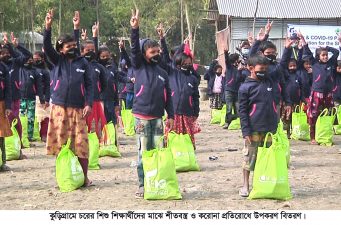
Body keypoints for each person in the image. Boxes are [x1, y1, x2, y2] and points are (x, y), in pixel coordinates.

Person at [44, 9, 94, 187]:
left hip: (78, 109)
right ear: (61, 50)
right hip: (59, 108)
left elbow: (89, 85)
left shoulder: (83, 63)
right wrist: (47, 27)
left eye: (74, 46)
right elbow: (48, 47)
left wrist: (88, 103)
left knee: (80, 144)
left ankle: (85, 177)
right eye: (68, 47)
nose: (72, 49)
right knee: (60, 144)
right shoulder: (57, 61)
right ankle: (63, 176)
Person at [130, 9, 174, 198]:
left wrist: (170, 115)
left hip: (157, 118)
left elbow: (168, 97)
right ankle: (142, 184)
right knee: (143, 152)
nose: (156, 54)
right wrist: (135, 29)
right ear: (144, 54)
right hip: (141, 116)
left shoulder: (163, 73)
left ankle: (154, 180)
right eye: (152, 51)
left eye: (158, 51)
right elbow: (133, 49)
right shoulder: (138, 67)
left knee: (157, 150)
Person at [238, 55, 278, 197]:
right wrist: (246, 131)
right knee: (250, 158)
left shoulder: (269, 82)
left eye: (266, 69)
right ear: (251, 68)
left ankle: (262, 183)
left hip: (269, 130)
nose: (265, 71)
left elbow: (280, 67)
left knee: (266, 158)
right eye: (261, 69)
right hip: (253, 130)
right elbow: (242, 111)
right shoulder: (245, 87)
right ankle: (245, 186)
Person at [158, 23, 201, 147]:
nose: (187, 64)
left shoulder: (192, 78)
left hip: (187, 113)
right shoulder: (172, 72)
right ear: (178, 63)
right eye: (185, 63)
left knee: (187, 138)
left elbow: (196, 97)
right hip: (174, 112)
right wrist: (162, 39)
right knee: (171, 137)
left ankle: (187, 158)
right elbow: (166, 57)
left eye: (189, 63)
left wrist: (196, 112)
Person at [302, 32, 340, 144]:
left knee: (328, 114)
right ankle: (313, 136)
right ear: (318, 57)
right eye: (323, 55)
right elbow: (307, 52)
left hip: (328, 94)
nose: (325, 57)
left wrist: (327, 47)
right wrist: (303, 40)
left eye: (326, 55)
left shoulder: (331, 63)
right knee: (313, 115)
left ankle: (324, 134)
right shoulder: (314, 63)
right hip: (316, 93)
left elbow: (337, 52)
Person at [79, 21, 107, 138]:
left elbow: (104, 83)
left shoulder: (99, 66)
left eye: (92, 50)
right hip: (80, 102)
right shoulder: (79, 65)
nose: (90, 52)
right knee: (82, 126)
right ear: (82, 52)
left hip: (95, 101)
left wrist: (95, 35)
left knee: (96, 126)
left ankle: (96, 144)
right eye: (87, 50)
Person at [280, 38, 305, 138]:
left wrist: (300, 49)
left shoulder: (298, 75)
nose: (292, 67)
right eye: (290, 66)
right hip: (287, 101)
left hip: (296, 101)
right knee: (286, 117)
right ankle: (286, 133)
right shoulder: (285, 75)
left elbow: (299, 61)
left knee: (294, 117)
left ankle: (293, 132)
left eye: (294, 66)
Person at [19, 56, 45, 142]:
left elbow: (39, 86)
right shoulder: (20, 69)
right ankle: (21, 135)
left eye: (30, 60)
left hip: (31, 98)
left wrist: (41, 99)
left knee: (31, 118)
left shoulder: (35, 72)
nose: (29, 61)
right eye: (27, 60)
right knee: (21, 117)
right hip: (20, 98)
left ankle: (30, 136)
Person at [222, 50, 246, 129]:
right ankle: (227, 122)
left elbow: (240, 79)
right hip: (229, 90)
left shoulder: (240, 69)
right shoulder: (229, 67)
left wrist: (240, 70)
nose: (239, 61)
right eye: (238, 60)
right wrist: (225, 53)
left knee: (238, 107)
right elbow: (226, 60)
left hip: (237, 91)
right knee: (229, 108)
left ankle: (238, 122)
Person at [33, 51, 51, 142]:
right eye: (34, 59)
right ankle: (34, 136)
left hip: (44, 97)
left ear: (42, 59)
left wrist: (47, 99)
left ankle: (44, 135)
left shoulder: (46, 71)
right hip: (33, 97)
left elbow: (48, 86)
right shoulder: (31, 70)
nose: (35, 60)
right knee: (35, 118)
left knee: (46, 117)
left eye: (37, 59)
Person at [0, 58, 12, 171]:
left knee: (1, 135)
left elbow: (8, 88)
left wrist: (8, 106)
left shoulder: (3, 67)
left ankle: (2, 163)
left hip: (1, 104)